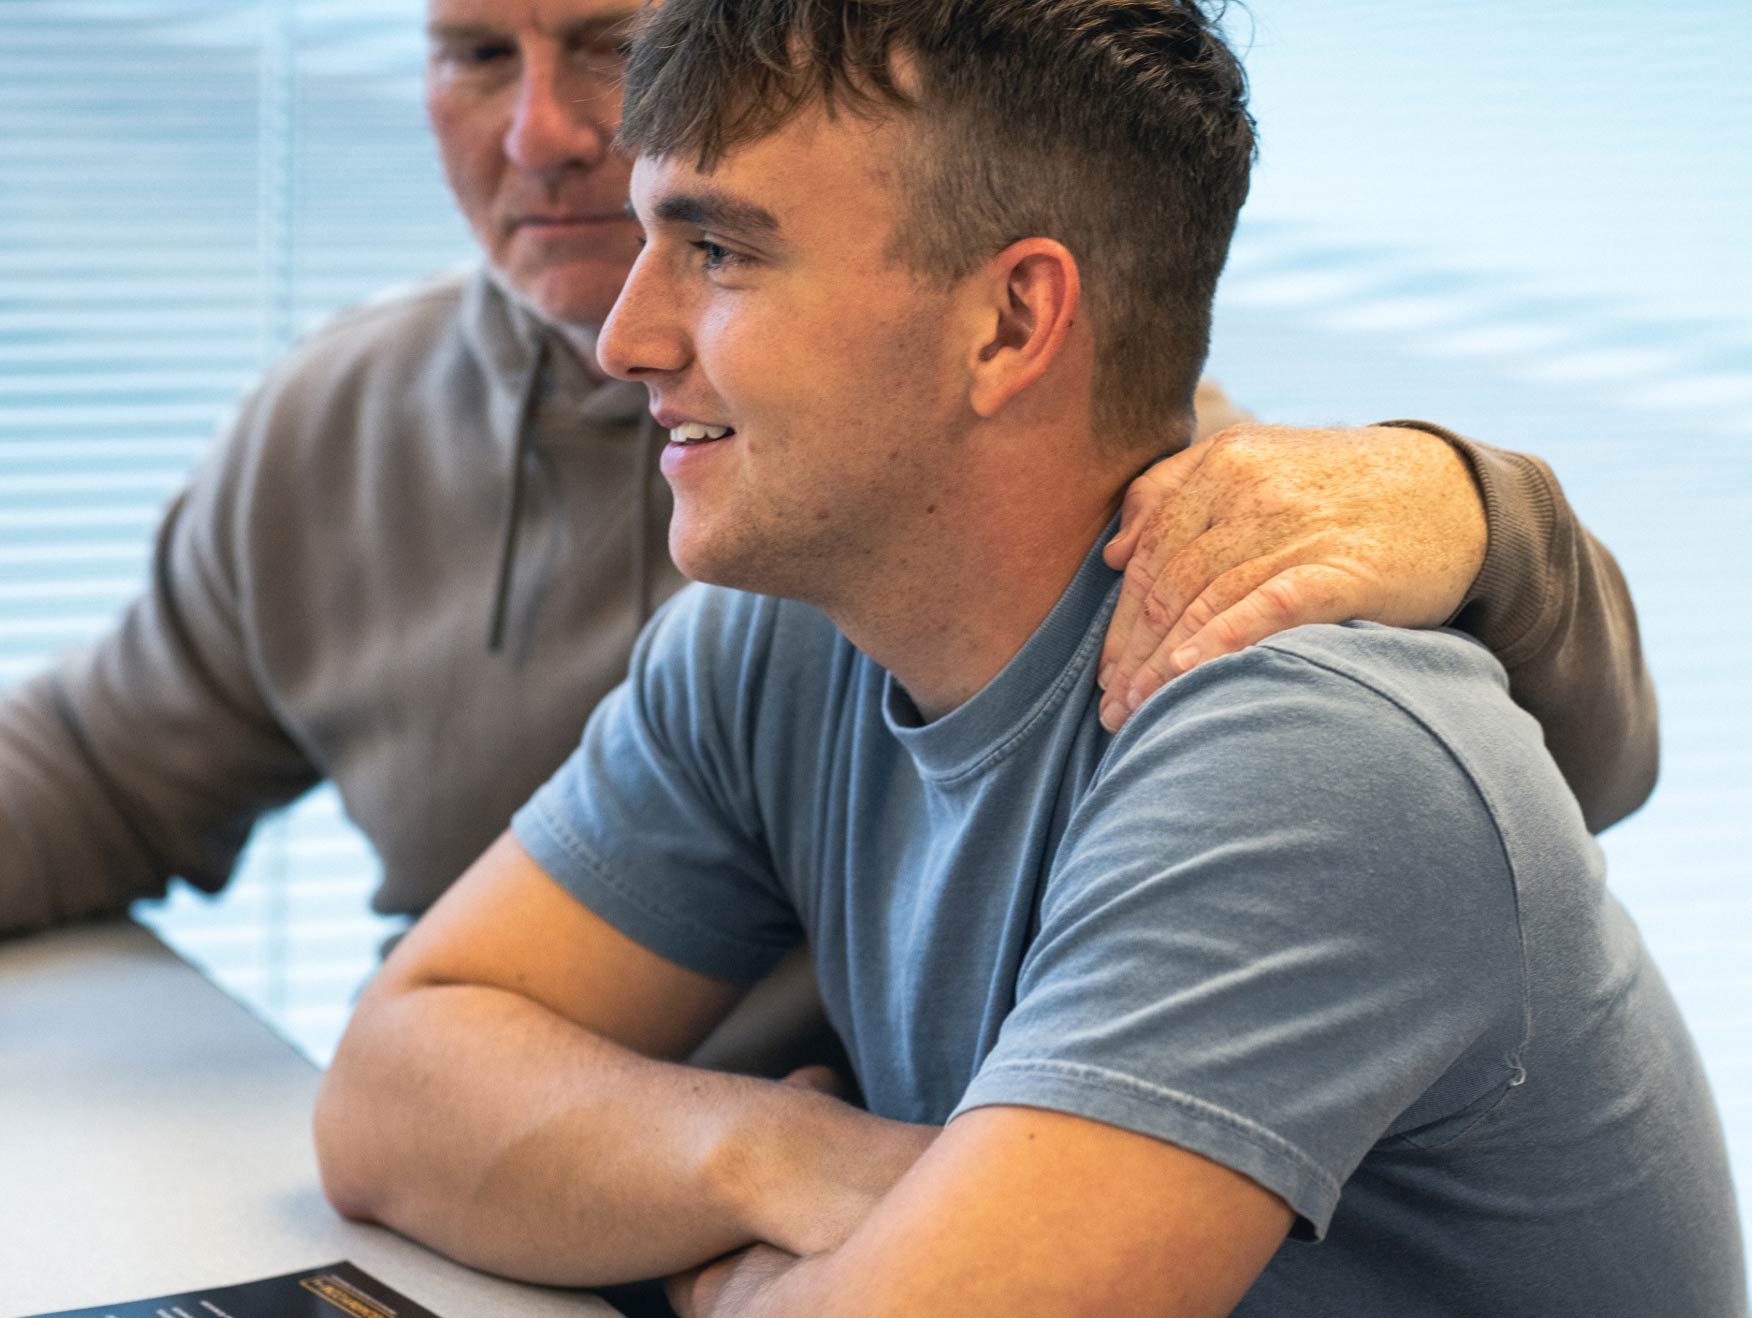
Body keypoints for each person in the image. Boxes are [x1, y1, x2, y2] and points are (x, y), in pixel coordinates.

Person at [312, 0, 1742, 1313]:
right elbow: (388, 1093)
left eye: (721, 252)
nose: (625, 336)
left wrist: (754, 1287)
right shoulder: (781, 637)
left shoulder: (1307, 753)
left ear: (1010, 321)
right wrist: (791, 1158)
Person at [0, 0, 1650, 978]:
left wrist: (1473, 507)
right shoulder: (338, 418)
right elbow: (98, 772)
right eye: (471, 54)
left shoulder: (1010, 469)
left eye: (612, 50)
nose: (545, 132)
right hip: (522, 1191)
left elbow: (1504, 786)